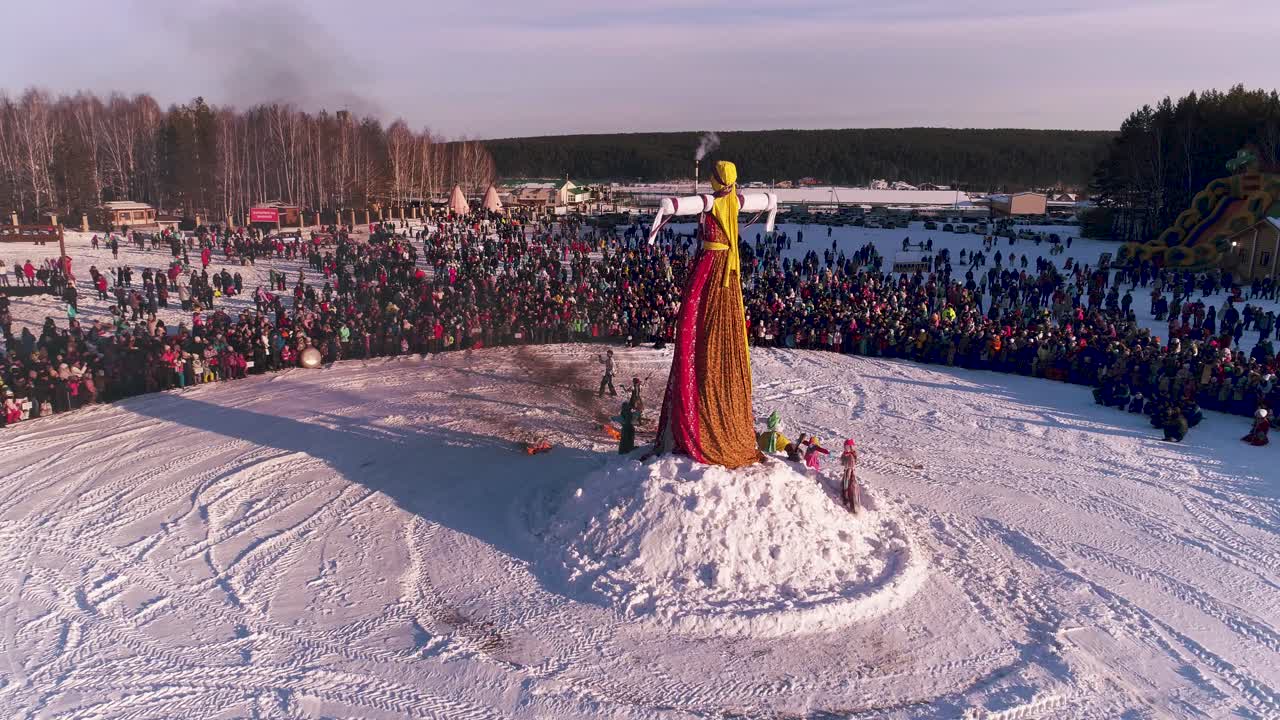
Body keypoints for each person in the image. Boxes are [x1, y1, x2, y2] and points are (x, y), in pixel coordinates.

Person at [655, 160, 762, 469]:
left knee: (693, 325)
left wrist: (669, 207)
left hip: (710, 269)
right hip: (724, 271)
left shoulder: (713, 202)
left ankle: (699, 422)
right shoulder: (734, 201)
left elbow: (681, 205)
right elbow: (761, 200)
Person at [839, 439, 860, 513]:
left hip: (849, 473)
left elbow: (850, 465)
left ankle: (853, 506)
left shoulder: (851, 455)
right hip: (847, 472)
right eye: (845, 447)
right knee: (845, 485)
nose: (845, 448)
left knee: (849, 487)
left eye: (847, 447)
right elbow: (842, 462)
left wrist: (848, 469)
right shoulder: (846, 454)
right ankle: (845, 497)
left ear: (851, 447)